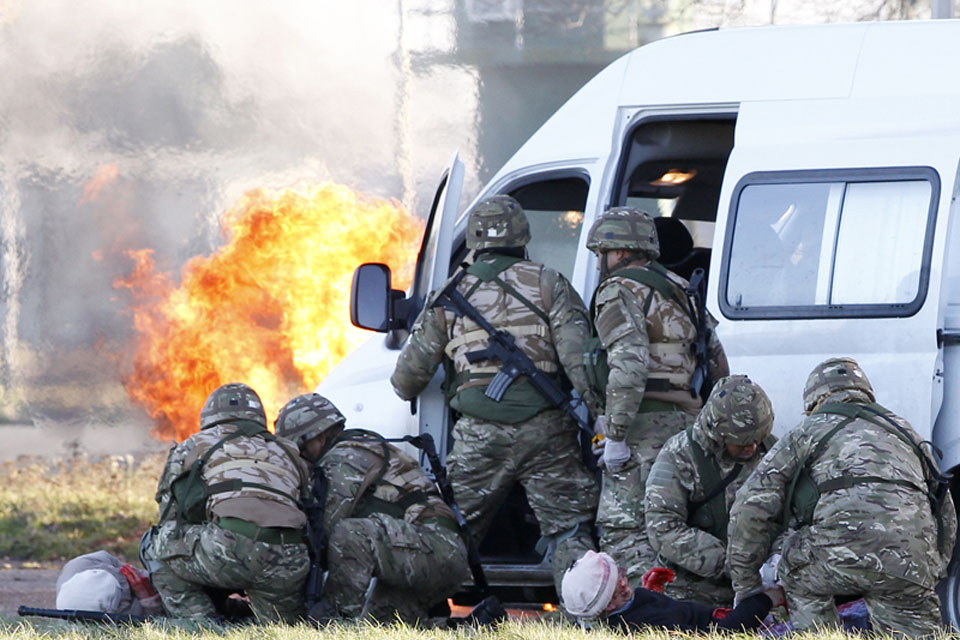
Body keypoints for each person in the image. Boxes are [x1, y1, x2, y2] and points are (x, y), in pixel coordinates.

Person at [390, 195, 599, 594]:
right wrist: (601, 418)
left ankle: (410, 611)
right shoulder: (549, 283)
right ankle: (587, 613)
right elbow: (579, 363)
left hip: (479, 438)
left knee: (447, 530)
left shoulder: (448, 296)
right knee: (569, 531)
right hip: (549, 434)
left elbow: (405, 381)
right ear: (523, 237)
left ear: (474, 241)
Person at [727, 357, 957, 637]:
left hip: (837, 556)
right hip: (910, 559)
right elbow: (944, 507)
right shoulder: (904, 430)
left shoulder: (808, 431)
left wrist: (745, 586)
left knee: (794, 565)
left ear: (813, 402)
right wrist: (934, 566)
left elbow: (749, 507)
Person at [585, 207, 729, 583]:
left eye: (600, 252)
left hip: (643, 430)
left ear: (615, 251)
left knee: (627, 531)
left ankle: (645, 618)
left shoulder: (618, 289)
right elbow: (717, 364)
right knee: (677, 525)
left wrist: (615, 436)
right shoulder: (683, 288)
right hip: (691, 430)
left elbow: (629, 364)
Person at [275, 392, 471, 623]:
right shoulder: (359, 448)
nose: (302, 460)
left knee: (350, 533)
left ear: (318, 436)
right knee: (381, 625)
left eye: (301, 450)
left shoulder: (347, 457)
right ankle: (464, 626)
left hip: (435, 549)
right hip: (429, 555)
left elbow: (323, 531)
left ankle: (335, 618)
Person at [150, 383, 310, 623]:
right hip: (288, 560)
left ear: (210, 416)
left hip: (229, 553)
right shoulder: (289, 450)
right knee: (281, 629)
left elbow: (172, 515)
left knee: (157, 540)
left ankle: (200, 622)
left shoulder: (194, 445)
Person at [645, 375, 775, 606]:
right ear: (718, 434)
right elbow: (662, 527)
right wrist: (735, 565)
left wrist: (776, 563)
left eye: (757, 439)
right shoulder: (679, 455)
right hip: (696, 589)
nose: (752, 447)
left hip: (764, 583)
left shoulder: (770, 449)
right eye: (743, 442)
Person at [561, 550, 779, 632]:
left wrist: (654, 596)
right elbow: (724, 635)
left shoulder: (625, 610)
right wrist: (766, 600)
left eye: (621, 574)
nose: (626, 583)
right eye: (618, 587)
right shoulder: (648, 628)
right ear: (607, 605)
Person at [56, 550, 163, 615]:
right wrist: (148, 598)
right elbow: (154, 620)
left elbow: (114, 561)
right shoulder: (125, 611)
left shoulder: (80, 564)